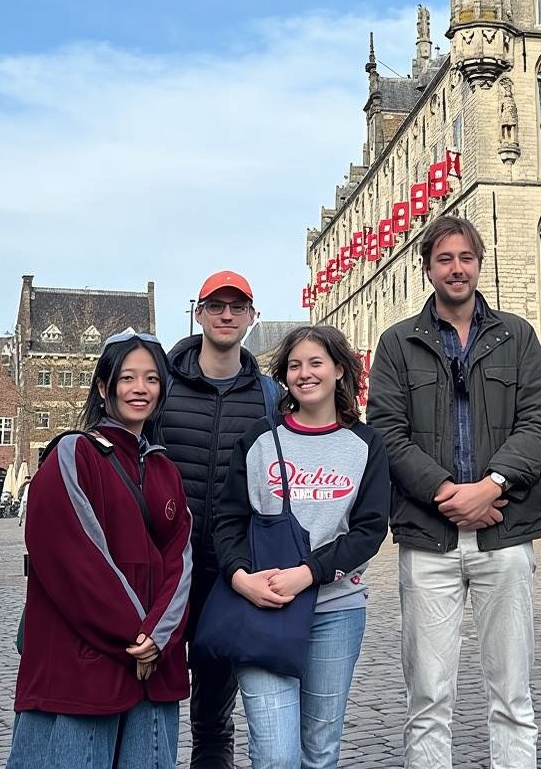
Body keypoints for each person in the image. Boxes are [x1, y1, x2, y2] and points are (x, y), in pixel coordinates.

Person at [367, 215, 541, 769]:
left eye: (466, 258)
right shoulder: (397, 343)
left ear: (479, 263)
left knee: (513, 695)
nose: (457, 268)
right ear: (427, 268)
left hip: (506, 532)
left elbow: (539, 420)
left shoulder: (517, 336)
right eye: (445, 259)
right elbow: (387, 431)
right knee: (428, 697)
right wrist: (446, 491)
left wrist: (492, 485)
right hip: (429, 538)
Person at [8, 331, 192, 769]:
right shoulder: (74, 454)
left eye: (151, 378)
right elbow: (74, 560)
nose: (140, 388)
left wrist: (158, 636)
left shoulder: (165, 469)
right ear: (104, 387)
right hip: (83, 665)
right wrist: (136, 636)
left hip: (152, 666)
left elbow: (181, 560)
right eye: (128, 377)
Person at [215, 325, 390, 768]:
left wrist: (307, 573)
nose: (304, 373)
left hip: (336, 611)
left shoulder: (366, 444)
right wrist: (240, 578)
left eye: (315, 363)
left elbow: (369, 531)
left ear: (339, 370)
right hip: (264, 608)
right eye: (294, 365)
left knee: (320, 750)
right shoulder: (258, 439)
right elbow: (228, 520)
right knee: (276, 755)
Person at [163, 270, 279, 769]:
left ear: (252, 317)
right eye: (216, 306)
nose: (226, 315)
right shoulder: (162, 386)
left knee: (214, 712)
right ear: (198, 313)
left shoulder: (270, 396)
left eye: (237, 307)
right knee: (152, 699)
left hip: (230, 574)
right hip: (165, 572)